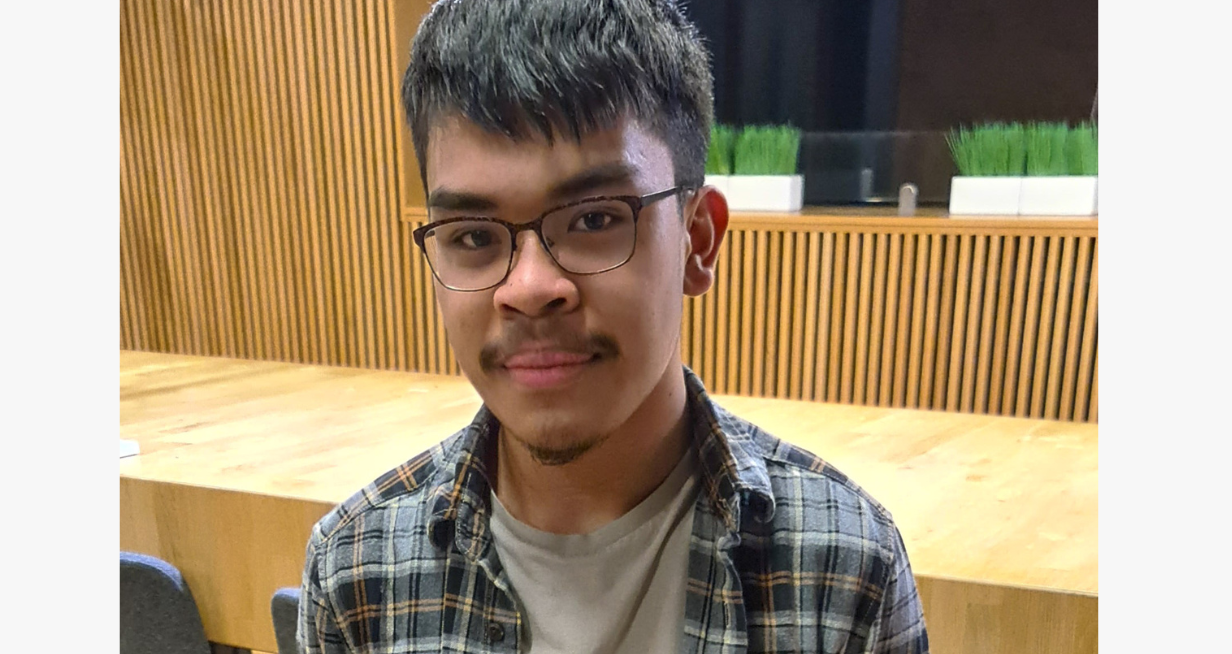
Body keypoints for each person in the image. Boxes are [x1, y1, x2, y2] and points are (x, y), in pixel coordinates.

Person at [298, 1, 929, 651]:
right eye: (475, 236)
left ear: (697, 240)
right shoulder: (356, 574)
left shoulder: (846, 568)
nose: (531, 289)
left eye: (595, 219)